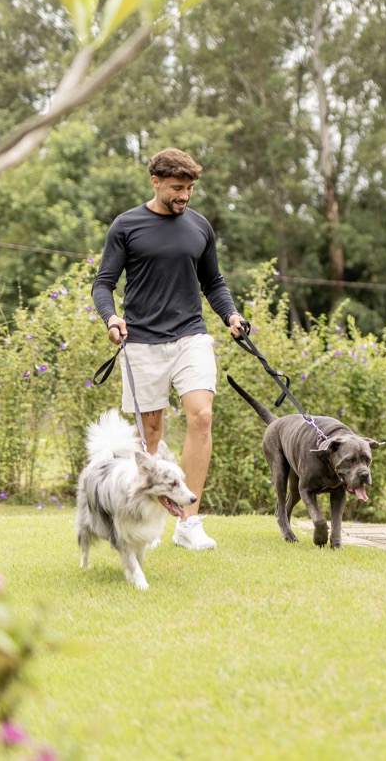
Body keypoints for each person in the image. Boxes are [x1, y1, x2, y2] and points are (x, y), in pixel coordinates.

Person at [92, 147, 247, 550]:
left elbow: (213, 282)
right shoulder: (126, 226)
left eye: (190, 188)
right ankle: (147, 517)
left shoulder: (199, 227)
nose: (184, 195)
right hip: (141, 341)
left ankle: (188, 522)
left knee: (201, 416)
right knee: (150, 435)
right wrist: (111, 318)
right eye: (177, 187)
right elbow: (103, 283)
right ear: (155, 182)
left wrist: (230, 315)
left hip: (190, 336)